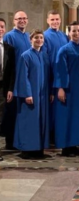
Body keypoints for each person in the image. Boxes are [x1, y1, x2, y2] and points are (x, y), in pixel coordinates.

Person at [54, 21, 79, 157]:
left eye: (78, 31)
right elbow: (60, 70)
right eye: (73, 31)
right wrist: (61, 88)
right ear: (68, 33)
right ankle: (66, 147)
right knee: (67, 117)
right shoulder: (64, 50)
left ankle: (75, 145)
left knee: (78, 117)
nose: (76, 33)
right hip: (69, 90)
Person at [14, 30, 51, 159]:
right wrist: (27, 94)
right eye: (36, 38)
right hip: (31, 95)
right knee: (29, 122)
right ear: (31, 40)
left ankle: (38, 149)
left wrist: (50, 92)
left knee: (41, 121)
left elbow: (49, 76)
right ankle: (26, 150)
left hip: (43, 95)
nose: (39, 40)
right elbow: (23, 77)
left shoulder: (45, 56)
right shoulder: (26, 56)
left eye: (41, 37)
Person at [3, 10, 31, 150]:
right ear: (14, 21)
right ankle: (10, 142)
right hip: (14, 79)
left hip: (27, 79)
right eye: (19, 18)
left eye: (24, 18)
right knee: (11, 112)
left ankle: (21, 140)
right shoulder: (9, 36)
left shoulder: (28, 36)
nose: (22, 20)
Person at [43, 10, 69, 139]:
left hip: (63, 76)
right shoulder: (45, 36)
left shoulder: (64, 36)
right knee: (51, 106)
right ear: (47, 21)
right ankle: (51, 135)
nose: (55, 22)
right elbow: (45, 58)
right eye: (52, 19)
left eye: (57, 19)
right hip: (50, 75)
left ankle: (60, 133)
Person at [0, 18, 15, 161]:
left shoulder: (9, 48)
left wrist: (11, 88)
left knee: (1, 118)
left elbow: (11, 72)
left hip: (4, 88)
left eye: (2, 27)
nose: (0, 29)